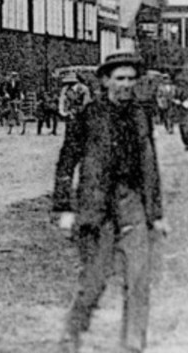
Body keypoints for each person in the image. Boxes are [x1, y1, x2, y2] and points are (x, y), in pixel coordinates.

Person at [53, 50, 168, 353]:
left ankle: (133, 344)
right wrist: (64, 207)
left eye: (131, 79)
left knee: (140, 277)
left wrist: (156, 213)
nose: (126, 85)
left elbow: (149, 164)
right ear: (105, 81)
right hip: (95, 206)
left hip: (132, 203)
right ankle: (72, 332)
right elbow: (66, 162)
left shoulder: (141, 115)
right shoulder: (87, 116)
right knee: (95, 279)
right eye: (120, 78)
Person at [58, 71, 92, 138]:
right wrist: (63, 112)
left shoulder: (84, 89)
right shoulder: (65, 89)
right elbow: (61, 101)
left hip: (81, 114)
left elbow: (86, 103)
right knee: (70, 132)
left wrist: (77, 112)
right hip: (69, 114)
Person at [173, 75, 188, 152]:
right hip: (181, 110)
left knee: (186, 128)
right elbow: (174, 98)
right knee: (181, 128)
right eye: (179, 82)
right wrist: (175, 101)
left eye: (182, 82)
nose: (181, 83)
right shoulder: (177, 89)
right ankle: (185, 142)